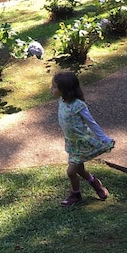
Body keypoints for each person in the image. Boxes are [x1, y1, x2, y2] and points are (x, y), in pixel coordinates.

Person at [51, 70, 114, 206]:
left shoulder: (78, 105)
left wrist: (104, 138)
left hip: (82, 143)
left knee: (71, 171)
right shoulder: (61, 101)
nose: (51, 89)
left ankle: (75, 194)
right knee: (79, 169)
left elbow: (91, 122)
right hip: (72, 143)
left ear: (65, 89)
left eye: (54, 87)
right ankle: (95, 183)